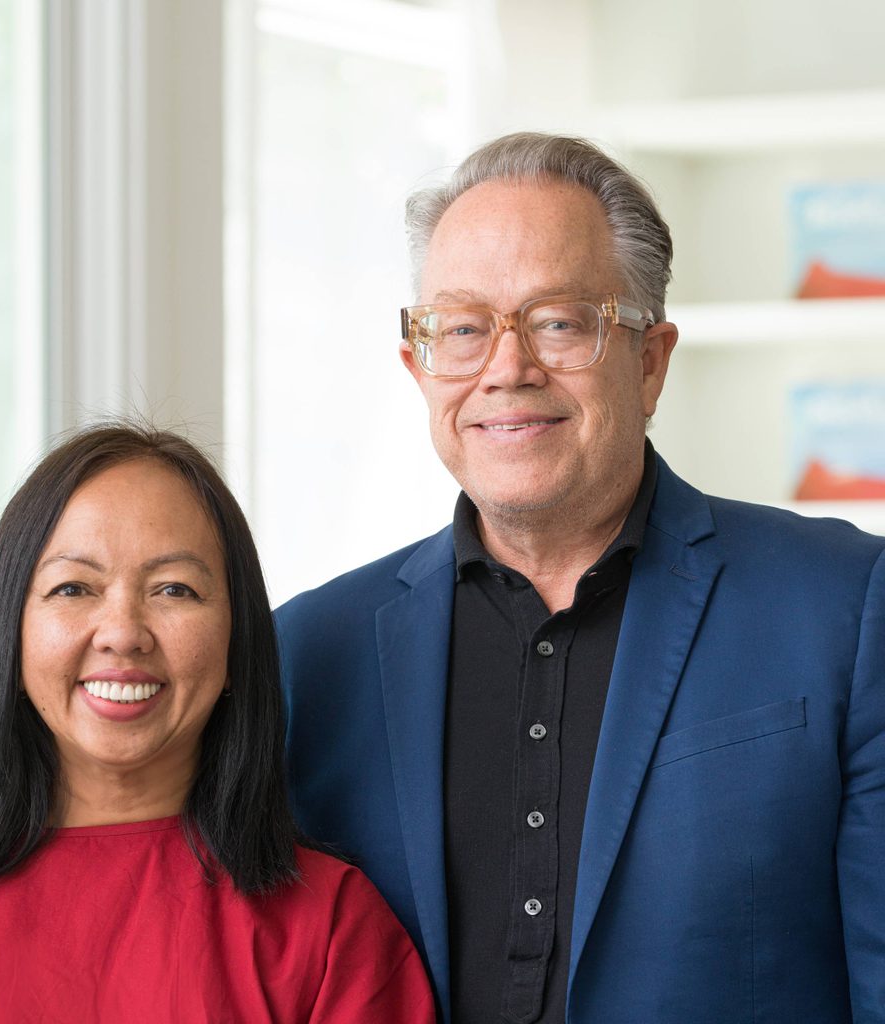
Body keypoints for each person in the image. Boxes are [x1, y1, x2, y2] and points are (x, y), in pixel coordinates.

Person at [276, 133, 885, 1024]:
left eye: (560, 321)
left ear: (650, 360)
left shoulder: (844, 608)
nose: (508, 369)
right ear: (419, 366)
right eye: (464, 329)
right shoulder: (306, 655)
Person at [0, 423, 434, 1023]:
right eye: (73, 587)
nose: (123, 633)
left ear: (238, 645)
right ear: (11, 635)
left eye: (175, 589)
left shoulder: (332, 928)